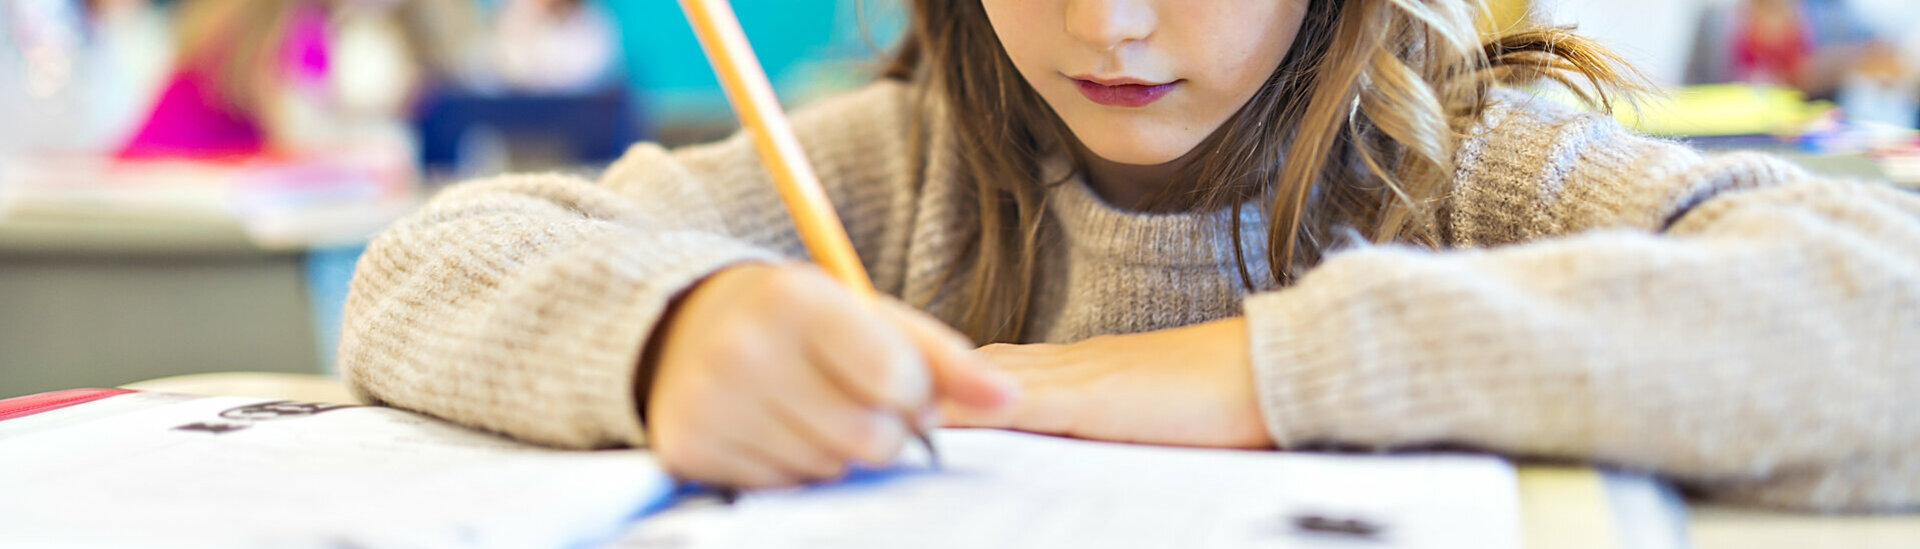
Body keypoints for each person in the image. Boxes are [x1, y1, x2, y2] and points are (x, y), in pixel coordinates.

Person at [339, 0, 1920, 511]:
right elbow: (430, 263)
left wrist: (1264, 371)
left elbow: (1888, 310)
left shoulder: (1460, 168)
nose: (1111, 23)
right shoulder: (906, 172)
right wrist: (676, 328)